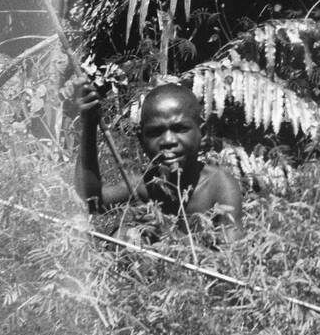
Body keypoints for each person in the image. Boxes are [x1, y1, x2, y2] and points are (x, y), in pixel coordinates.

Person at [74, 80, 243, 241]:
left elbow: (231, 260)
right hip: (153, 269)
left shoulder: (219, 185)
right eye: (156, 132)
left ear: (203, 133)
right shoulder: (145, 186)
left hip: (201, 268)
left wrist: (167, 234)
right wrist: (88, 125)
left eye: (180, 129)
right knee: (124, 236)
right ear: (142, 140)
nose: (168, 140)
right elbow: (93, 202)